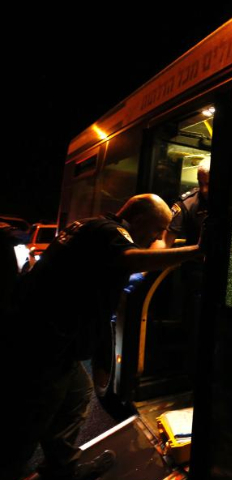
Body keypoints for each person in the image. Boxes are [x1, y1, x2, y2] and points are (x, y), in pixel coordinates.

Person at [3, 194, 204, 480]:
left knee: (77, 396)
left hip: (52, 342)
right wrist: (197, 251)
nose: (158, 236)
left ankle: (62, 468)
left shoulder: (88, 226)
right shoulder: (111, 233)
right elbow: (131, 260)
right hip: (46, 347)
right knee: (28, 422)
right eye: (157, 229)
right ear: (137, 219)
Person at [162, 158, 210, 248]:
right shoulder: (186, 203)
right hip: (193, 260)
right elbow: (164, 242)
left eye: (208, 184)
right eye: (200, 183)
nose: (204, 190)